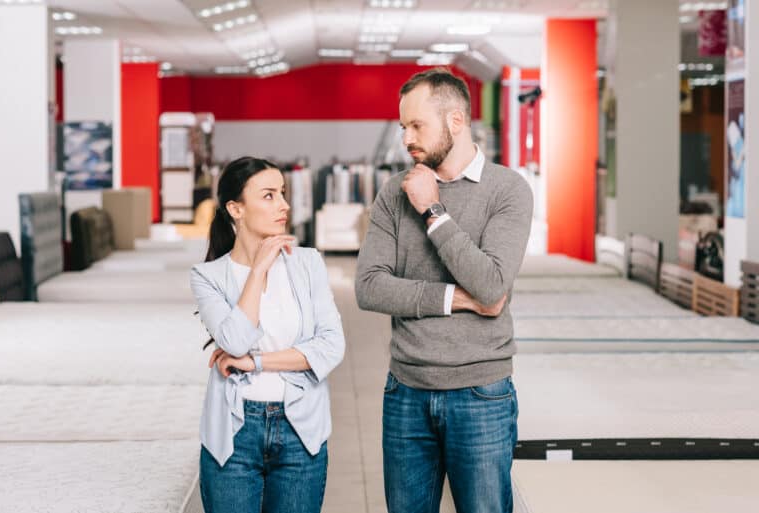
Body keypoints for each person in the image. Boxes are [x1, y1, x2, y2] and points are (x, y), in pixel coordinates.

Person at [355, 68, 533, 513]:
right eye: (403, 127)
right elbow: (369, 287)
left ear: (456, 121)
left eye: (417, 125)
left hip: (481, 393)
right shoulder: (393, 193)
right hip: (406, 390)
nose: (406, 138)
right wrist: (457, 298)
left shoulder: (507, 190)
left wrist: (433, 211)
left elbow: (491, 283)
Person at [190, 156, 345, 513]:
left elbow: (331, 345)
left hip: (300, 429)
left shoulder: (308, 263)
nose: (285, 205)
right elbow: (234, 341)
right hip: (233, 436)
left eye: (283, 193)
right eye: (270, 195)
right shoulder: (208, 276)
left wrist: (253, 362)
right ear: (236, 208)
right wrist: (258, 268)